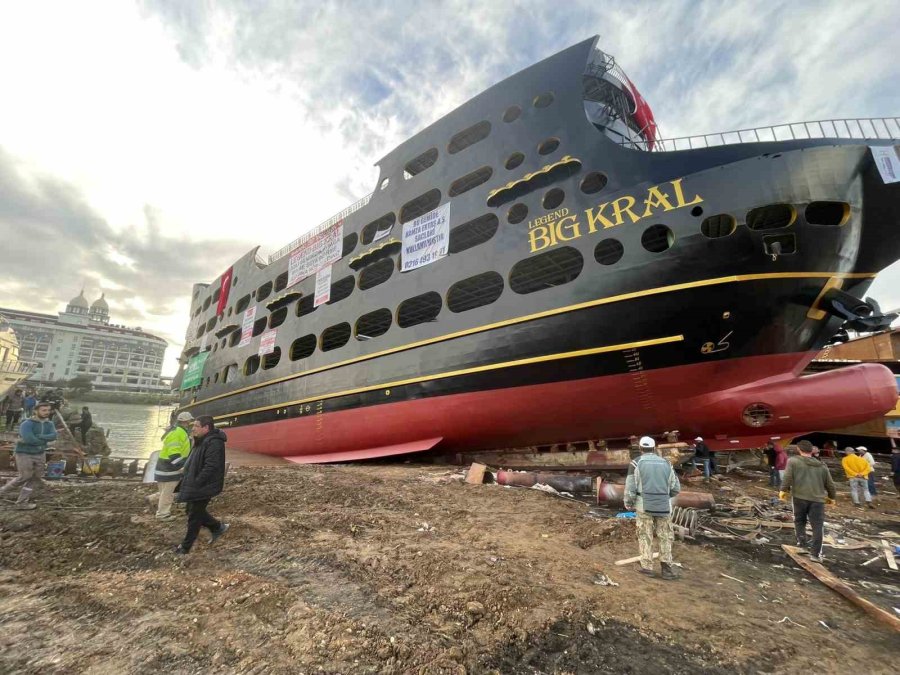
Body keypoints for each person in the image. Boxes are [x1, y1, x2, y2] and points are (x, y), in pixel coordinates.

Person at [624, 435, 681, 580]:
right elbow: (675, 488)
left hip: (644, 506)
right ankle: (667, 569)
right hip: (664, 506)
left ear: (641, 448)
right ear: (654, 448)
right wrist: (664, 496)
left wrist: (629, 503)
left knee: (645, 535)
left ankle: (647, 567)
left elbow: (630, 487)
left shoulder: (636, 463)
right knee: (665, 537)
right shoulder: (667, 464)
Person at [174, 415, 229, 554]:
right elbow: (194, 461)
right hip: (195, 483)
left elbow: (211, 466)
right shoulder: (201, 440)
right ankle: (217, 527)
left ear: (206, 428)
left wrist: (198, 481)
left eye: (196, 426)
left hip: (204, 485)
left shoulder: (214, 442)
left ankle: (185, 547)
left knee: (194, 516)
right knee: (190, 511)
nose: (193, 429)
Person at [779, 439, 836, 562]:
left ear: (799, 449)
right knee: (817, 526)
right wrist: (832, 497)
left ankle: (802, 544)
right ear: (811, 451)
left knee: (799, 521)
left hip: (799, 497)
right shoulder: (822, 466)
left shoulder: (793, 461)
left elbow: (787, 477)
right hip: (817, 500)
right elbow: (830, 485)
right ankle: (815, 555)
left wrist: (783, 490)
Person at [0, 401, 58, 509]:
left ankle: (22, 502)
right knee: (25, 476)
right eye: (44, 410)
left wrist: (39, 436)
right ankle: (2, 492)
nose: (47, 412)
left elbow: (54, 436)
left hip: (40, 453)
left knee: (36, 478)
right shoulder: (27, 424)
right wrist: (45, 440)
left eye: (48, 410)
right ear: (36, 411)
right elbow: (29, 439)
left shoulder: (49, 423)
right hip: (24, 453)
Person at [153, 411, 194, 521]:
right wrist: (183, 465)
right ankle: (162, 514)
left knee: (164, 493)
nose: (190, 423)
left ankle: (162, 512)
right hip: (169, 469)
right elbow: (174, 453)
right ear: (186, 421)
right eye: (189, 421)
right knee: (167, 493)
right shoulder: (178, 433)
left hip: (163, 467)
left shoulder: (174, 431)